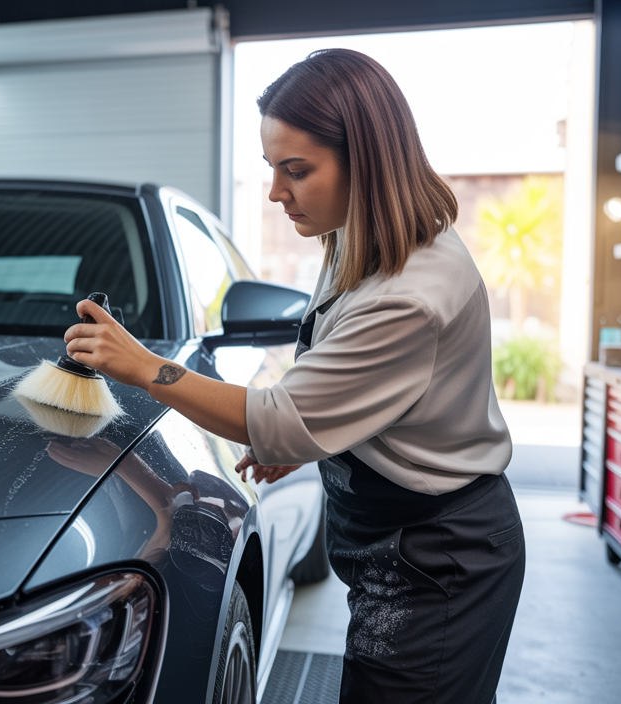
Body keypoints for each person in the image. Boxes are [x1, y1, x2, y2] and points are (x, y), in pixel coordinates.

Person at [62, 48, 524, 704]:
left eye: (296, 170)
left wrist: (142, 366)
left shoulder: (411, 290)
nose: (277, 192)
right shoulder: (357, 237)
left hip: (440, 558)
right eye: (271, 169)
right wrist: (329, 428)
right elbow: (354, 378)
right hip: (402, 537)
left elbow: (280, 420)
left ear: (365, 161)